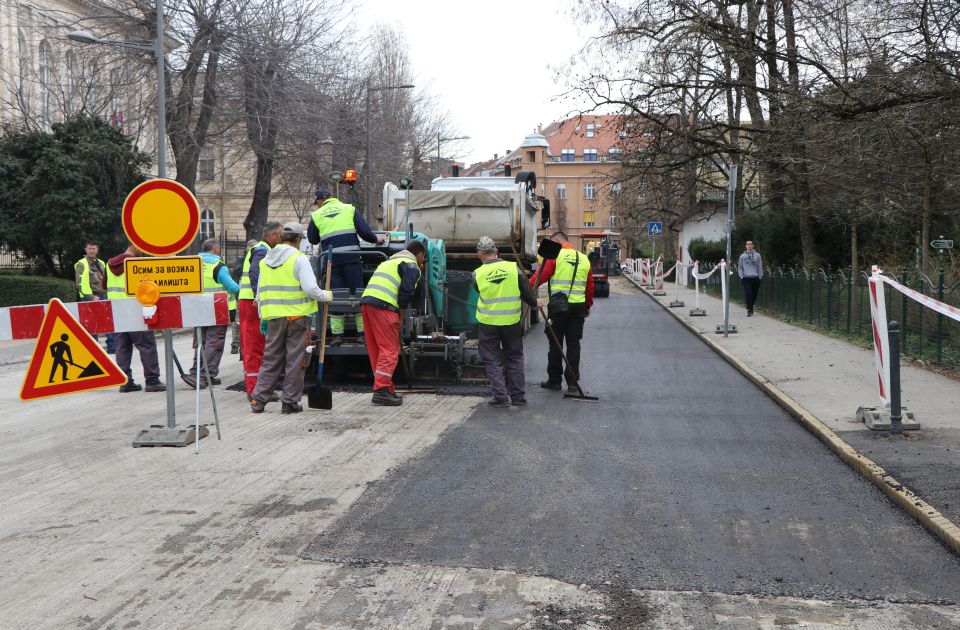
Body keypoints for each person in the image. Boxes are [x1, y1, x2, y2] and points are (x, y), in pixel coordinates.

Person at [250, 222, 333, 414]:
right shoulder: (299, 259)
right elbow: (311, 289)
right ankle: (289, 402)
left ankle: (258, 400)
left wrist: (263, 315)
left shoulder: (265, 261)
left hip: (274, 319)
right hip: (297, 318)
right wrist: (326, 295)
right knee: (296, 360)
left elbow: (260, 291)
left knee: (271, 360)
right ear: (297, 240)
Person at [307, 187, 384, 345]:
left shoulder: (316, 215)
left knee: (336, 297)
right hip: (352, 259)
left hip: (331, 262)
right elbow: (364, 232)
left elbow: (313, 239)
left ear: (320, 201)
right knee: (357, 294)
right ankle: (362, 334)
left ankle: (337, 336)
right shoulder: (349, 209)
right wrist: (376, 240)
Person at [473, 237, 540, 407]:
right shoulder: (513, 268)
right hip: (510, 322)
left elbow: (478, 290)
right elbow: (526, 293)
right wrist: (535, 303)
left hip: (487, 323)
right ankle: (517, 396)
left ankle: (501, 397)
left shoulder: (477, 274)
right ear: (496, 252)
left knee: (492, 359)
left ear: (479, 254)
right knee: (515, 356)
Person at [359, 240, 426, 406]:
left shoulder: (388, 262)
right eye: (423, 258)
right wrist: (400, 318)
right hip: (384, 307)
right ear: (420, 255)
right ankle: (381, 390)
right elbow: (406, 293)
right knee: (389, 350)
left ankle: (386, 388)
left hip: (367, 304)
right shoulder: (411, 265)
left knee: (377, 349)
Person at [530, 231, 594, 394]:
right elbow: (589, 286)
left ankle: (554, 380)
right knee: (574, 344)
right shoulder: (584, 258)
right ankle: (573, 383)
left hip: (558, 308)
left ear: (557, 241)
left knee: (555, 344)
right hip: (578, 308)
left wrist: (527, 288)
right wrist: (587, 306)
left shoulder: (554, 255)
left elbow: (540, 277)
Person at [106, 244, 166, 392]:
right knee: (146, 345)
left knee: (122, 346)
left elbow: (103, 284)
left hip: (118, 311)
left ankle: (125, 382)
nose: (144, 253)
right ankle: (152, 380)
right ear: (134, 247)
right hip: (136, 309)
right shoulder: (136, 264)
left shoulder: (109, 264)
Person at [182, 239, 241, 389]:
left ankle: (196, 372)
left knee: (200, 342)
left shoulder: (193, 263)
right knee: (214, 343)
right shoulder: (218, 266)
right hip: (216, 309)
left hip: (196, 309)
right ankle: (204, 376)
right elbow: (232, 287)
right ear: (215, 248)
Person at [238, 223, 282, 401]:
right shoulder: (262, 250)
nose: (281, 238)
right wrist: (259, 296)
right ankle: (256, 391)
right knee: (255, 347)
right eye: (279, 234)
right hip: (252, 304)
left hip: (250, 302)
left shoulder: (259, 249)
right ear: (271, 235)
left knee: (257, 346)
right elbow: (256, 271)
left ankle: (259, 388)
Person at [74, 241, 115, 353]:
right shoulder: (82, 264)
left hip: (103, 295)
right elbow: (80, 284)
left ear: (97, 250)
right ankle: (94, 349)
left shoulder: (101, 262)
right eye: (90, 248)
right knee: (92, 323)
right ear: (86, 249)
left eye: (94, 249)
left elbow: (106, 279)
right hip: (90, 297)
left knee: (107, 321)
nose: (92, 251)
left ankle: (112, 347)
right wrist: (91, 297)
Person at [229, 239, 259, 355]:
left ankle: (242, 349)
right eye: (250, 247)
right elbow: (236, 272)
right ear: (246, 248)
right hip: (242, 295)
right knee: (239, 324)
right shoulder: (241, 260)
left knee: (247, 326)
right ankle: (235, 345)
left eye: (254, 247)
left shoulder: (258, 257)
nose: (252, 249)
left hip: (249, 296)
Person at [738, 240, 763, 316]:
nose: (749, 245)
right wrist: (741, 276)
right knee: (748, 293)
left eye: (750, 244)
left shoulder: (757, 255)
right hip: (746, 278)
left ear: (753, 246)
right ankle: (749, 310)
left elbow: (760, 266)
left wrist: (760, 276)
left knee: (754, 294)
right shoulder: (742, 256)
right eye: (747, 244)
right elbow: (740, 267)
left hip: (755, 277)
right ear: (746, 246)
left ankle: (751, 307)